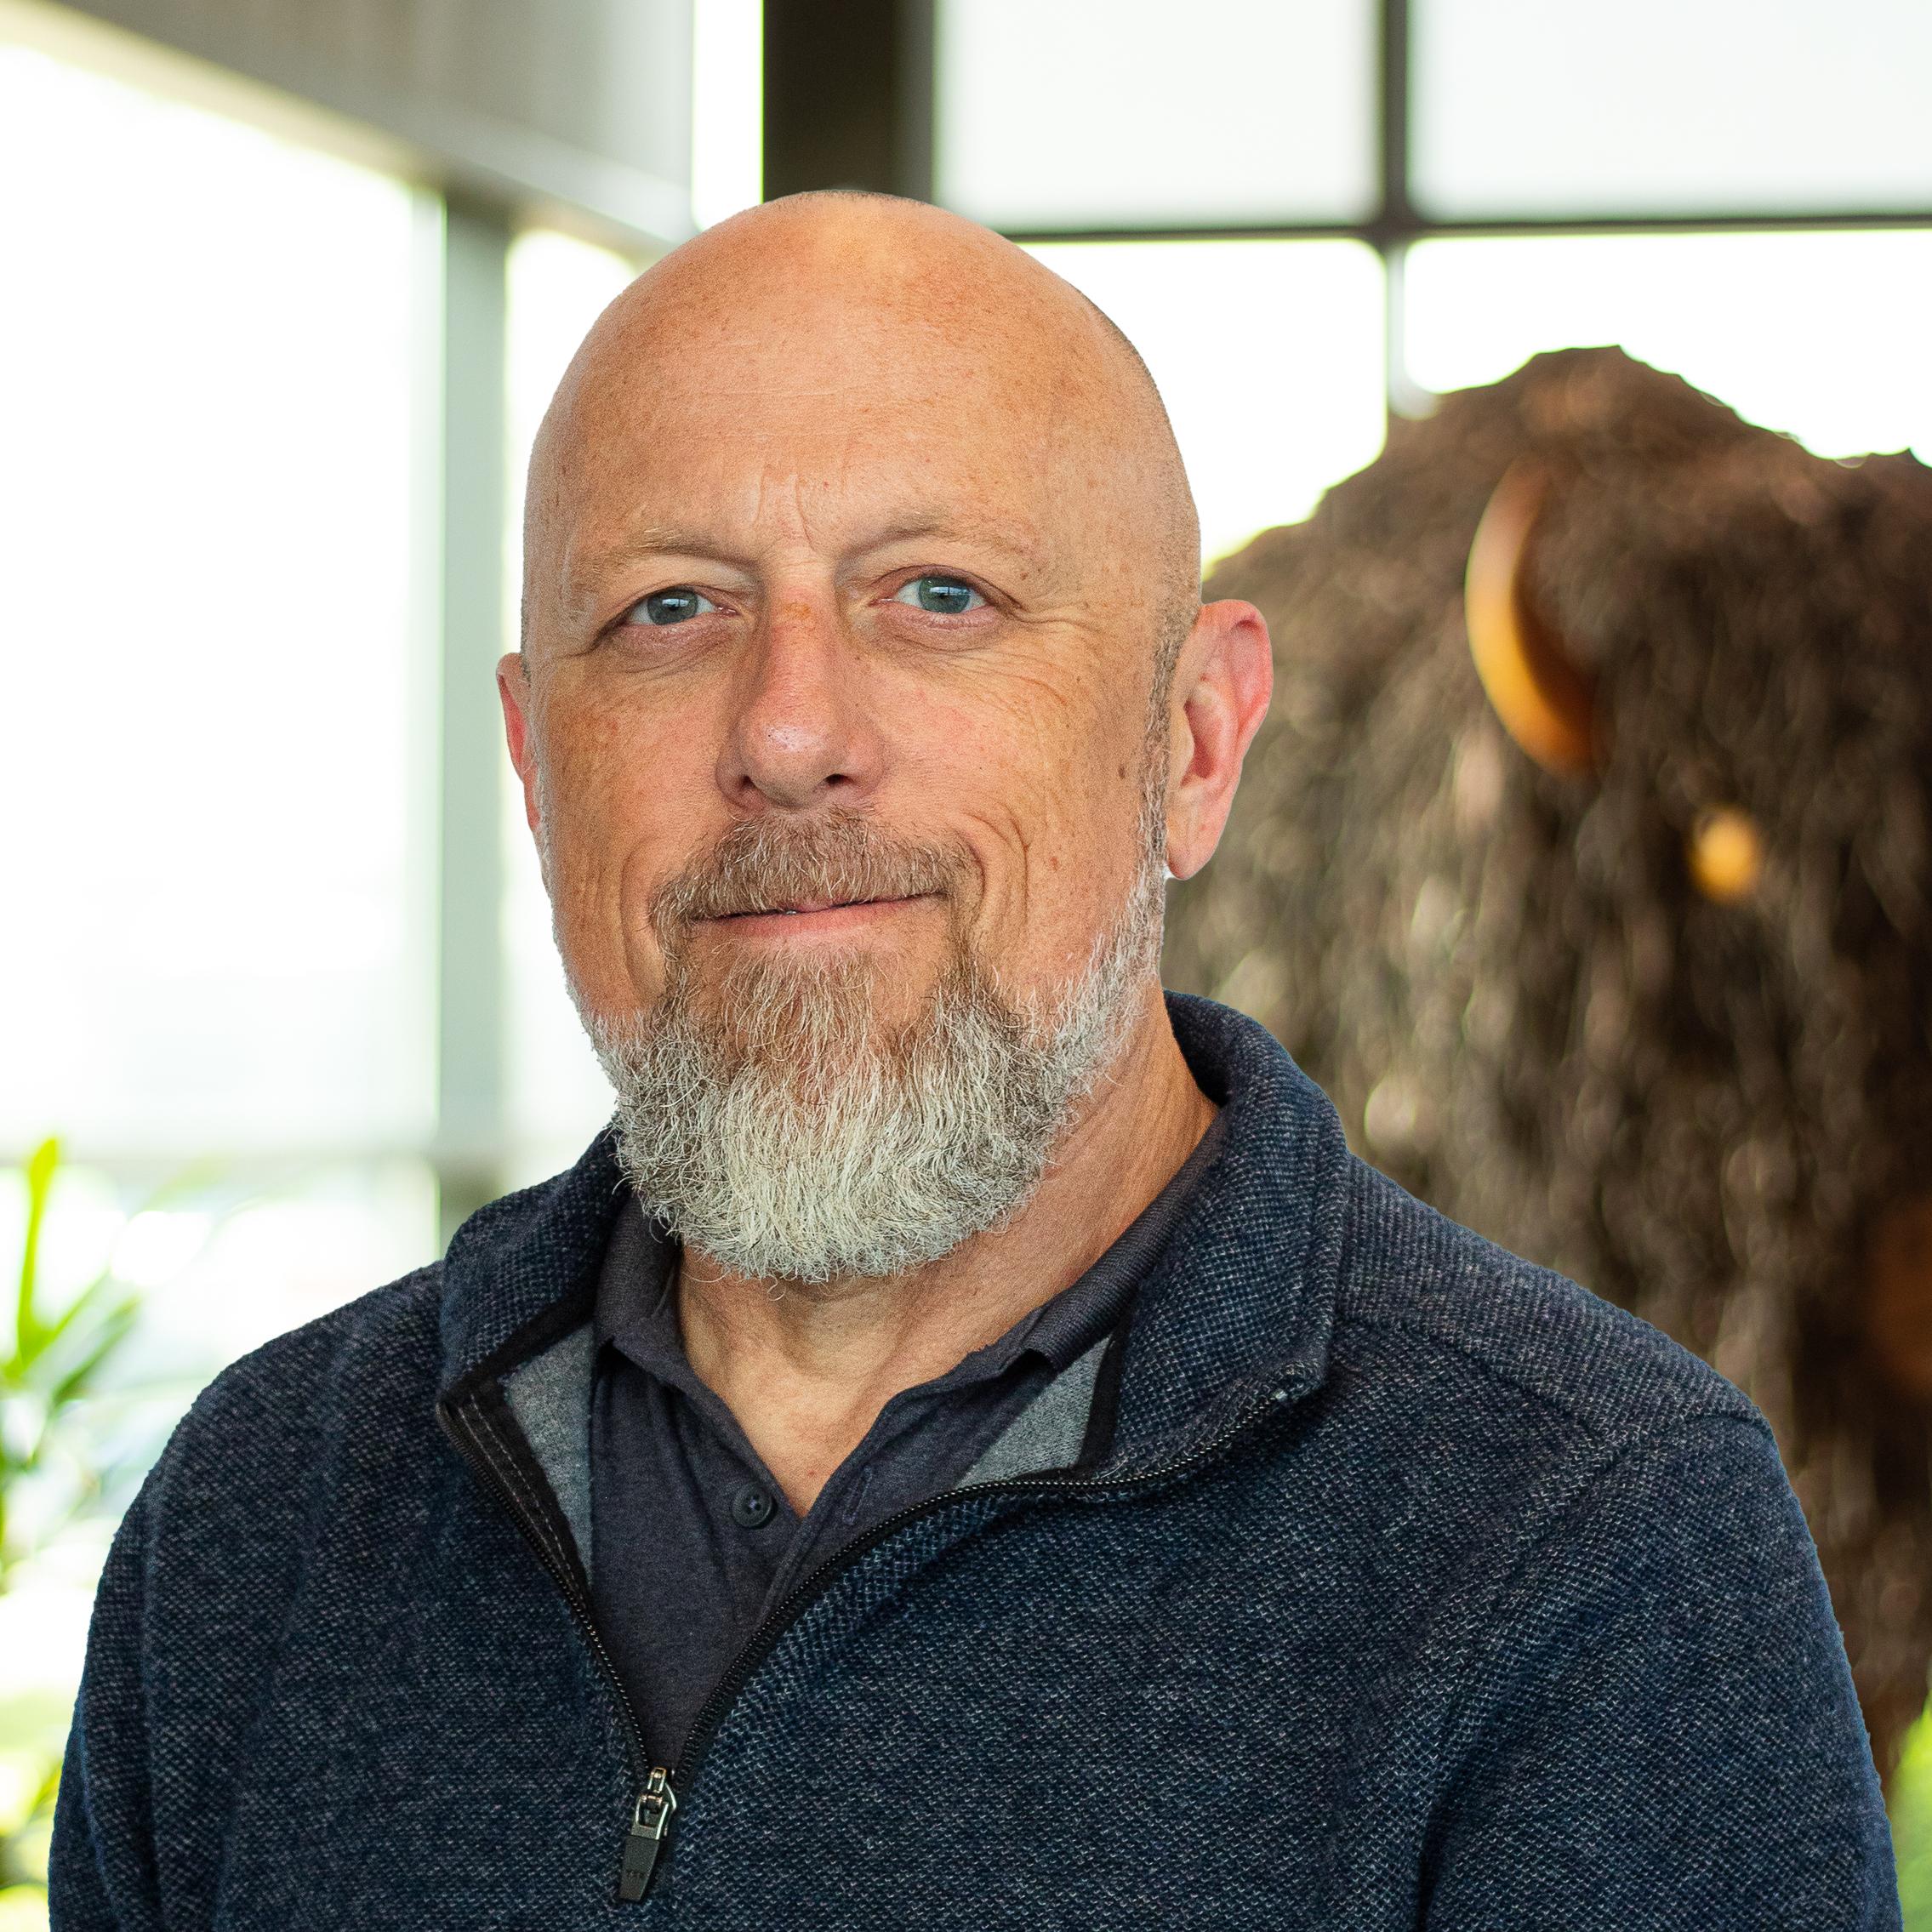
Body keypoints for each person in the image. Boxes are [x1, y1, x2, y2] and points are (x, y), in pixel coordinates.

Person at [50, 192, 1898, 1929]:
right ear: (539, 765)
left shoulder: (1596, 1548)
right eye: (671, 608)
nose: (789, 732)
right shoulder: (260, 1517)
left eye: (937, 596)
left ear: (1193, 744)